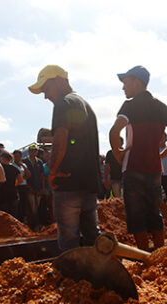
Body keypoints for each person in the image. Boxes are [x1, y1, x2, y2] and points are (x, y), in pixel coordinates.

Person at [108, 65, 167, 251]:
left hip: (133, 167)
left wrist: (118, 153)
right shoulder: (160, 107)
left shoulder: (129, 106)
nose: (123, 87)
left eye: (125, 83)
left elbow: (114, 131)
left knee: (136, 215)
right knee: (154, 213)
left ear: (136, 82)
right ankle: (161, 254)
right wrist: (163, 154)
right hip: (154, 169)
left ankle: (145, 257)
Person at [29, 65, 101, 250]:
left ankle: (73, 278)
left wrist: (52, 171)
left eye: (46, 89)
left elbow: (60, 137)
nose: (45, 96)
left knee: (69, 241)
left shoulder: (63, 103)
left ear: (59, 80)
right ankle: (95, 275)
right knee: (92, 237)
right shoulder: (85, 105)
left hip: (68, 183)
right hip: (88, 183)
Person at [23, 143, 46, 230]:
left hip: (39, 188)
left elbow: (42, 175)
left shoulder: (39, 162)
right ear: (29, 152)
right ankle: (32, 226)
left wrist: (43, 188)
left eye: (35, 151)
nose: (33, 152)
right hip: (30, 188)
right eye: (32, 151)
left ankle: (36, 225)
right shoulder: (25, 162)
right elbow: (24, 176)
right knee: (32, 208)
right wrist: (29, 187)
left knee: (37, 207)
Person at [0, 151, 23, 218]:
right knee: (14, 214)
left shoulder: (0, 168)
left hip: (2, 194)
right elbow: (20, 180)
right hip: (13, 193)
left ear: (2, 158)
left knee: (4, 215)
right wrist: (14, 185)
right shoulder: (15, 168)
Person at [12, 149, 31, 222]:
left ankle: (23, 219)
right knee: (18, 204)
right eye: (15, 156)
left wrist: (23, 166)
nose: (17, 158)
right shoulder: (12, 165)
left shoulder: (24, 165)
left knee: (24, 203)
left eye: (18, 156)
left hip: (24, 186)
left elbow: (28, 175)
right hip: (16, 187)